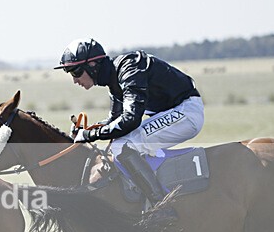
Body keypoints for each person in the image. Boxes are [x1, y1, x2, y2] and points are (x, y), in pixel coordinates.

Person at [55, 38, 204, 217]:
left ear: (93, 64)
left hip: (186, 112)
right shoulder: (114, 80)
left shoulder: (128, 68)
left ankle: (162, 207)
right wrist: (86, 131)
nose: (75, 80)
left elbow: (131, 120)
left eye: (75, 72)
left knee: (123, 146)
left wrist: (91, 134)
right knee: (118, 144)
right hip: (175, 112)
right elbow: (115, 120)